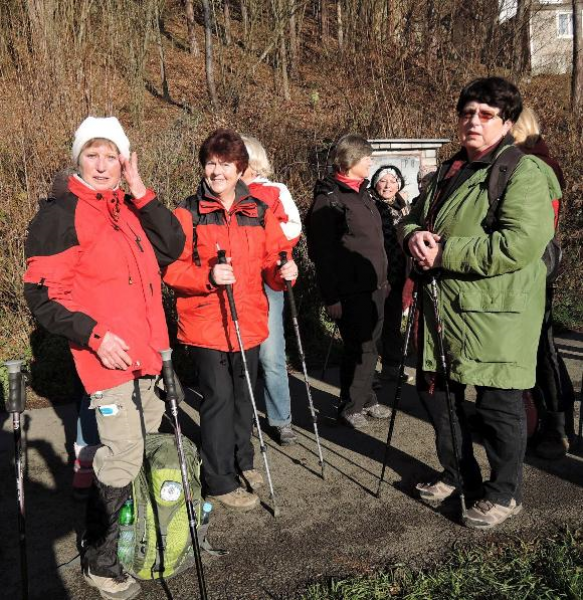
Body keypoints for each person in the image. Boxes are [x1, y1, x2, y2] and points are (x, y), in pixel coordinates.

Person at [24, 116, 186, 599]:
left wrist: (140, 189)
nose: (101, 165)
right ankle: (100, 560)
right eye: (91, 154)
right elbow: (42, 296)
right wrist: (95, 336)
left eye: (110, 155)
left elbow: (173, 246)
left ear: (123, 160)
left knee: (135, 452)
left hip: (149, 356)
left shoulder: (126, 207)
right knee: (121, 458)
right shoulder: (61, 213)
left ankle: (126, 538)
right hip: (108, 359)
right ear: (77, 159)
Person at [400, 77, 557, 529]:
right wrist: (413, 236)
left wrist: (444, 251)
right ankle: (457, 474)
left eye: (486, 114)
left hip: (497, 314)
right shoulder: (451, 170)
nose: (474, 121)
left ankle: (505, 493)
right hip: (443, 309)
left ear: (506, 122)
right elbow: (412, 218)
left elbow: (521, 244)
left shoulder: (523, 172)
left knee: (498, 406)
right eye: (468, 112)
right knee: (440, 399)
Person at [163, 129, 297, 511]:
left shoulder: (258, 211)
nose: (217, 171)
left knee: (245, 397)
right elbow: (170, 270)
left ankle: (245, 461)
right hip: (206, 325)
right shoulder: (187, 213)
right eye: (211, 164)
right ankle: (219, 480)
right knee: (218, 400)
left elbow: (275, 259)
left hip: (249, 321)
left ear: (241, 169)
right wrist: (206, 278)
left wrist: (285, 272)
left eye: (225, 164)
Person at [307, 134, 390, 429]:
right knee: (361, 348)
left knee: (369, 348)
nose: (371, 162)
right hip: (349, 290)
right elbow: (322, 254)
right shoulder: (328, 201)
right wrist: (332, 298)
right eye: (366, 157)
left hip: (375, 287)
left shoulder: (362, 193)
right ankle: (350, 406)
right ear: (351, 160)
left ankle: (366, 398)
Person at [512, 106, 574, 459]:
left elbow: (539, 227)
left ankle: (558, 426)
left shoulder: (539, 165)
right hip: (524, 268)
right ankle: (539, 421)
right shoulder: (527, 160)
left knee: (543, 348)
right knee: (534, 349)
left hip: (533, 268)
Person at [241, 135, 302, 446]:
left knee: (271, 353)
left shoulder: (275, 190)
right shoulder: (223, 191)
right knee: (241, 353)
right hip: (236, 282)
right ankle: (243, 413)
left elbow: (293, 228)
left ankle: (280, 418)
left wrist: (262, 239)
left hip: (267, 281)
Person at [370, 165, 413, 383]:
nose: (387, 186)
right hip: (375, 275)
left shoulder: (402, 208)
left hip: (397, 274)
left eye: (392, 181)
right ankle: (368, 372)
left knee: (393, 324)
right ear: (375, 184)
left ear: (399, 185)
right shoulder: (369, 205)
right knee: (373, 324)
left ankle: (391, 367)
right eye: (382, 181)